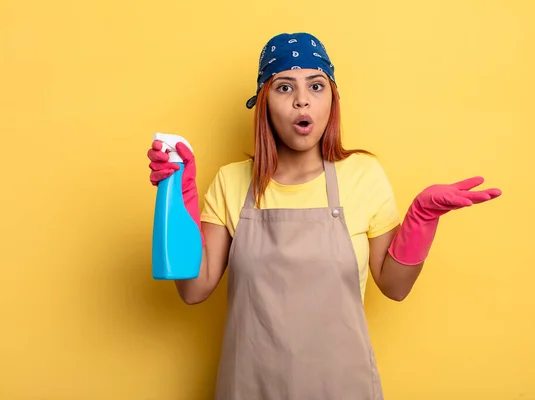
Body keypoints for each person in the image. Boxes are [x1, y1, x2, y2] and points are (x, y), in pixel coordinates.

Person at [146, 32, 501, 399]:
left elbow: (395, 287)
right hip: (251, 388)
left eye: (316, 86)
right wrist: (179, 196)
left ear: (332, 99)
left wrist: (423, 218)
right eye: (284, 88)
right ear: (264, 102)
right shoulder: (231, 181)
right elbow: (193, 290)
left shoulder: (363, 175)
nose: (303, 100)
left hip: (342, 388)